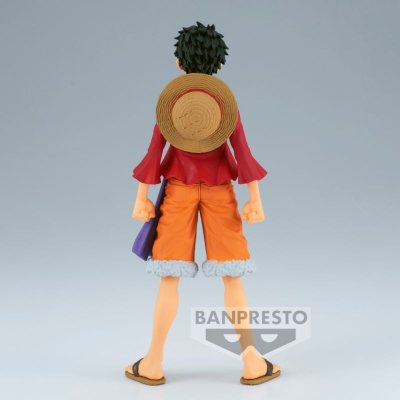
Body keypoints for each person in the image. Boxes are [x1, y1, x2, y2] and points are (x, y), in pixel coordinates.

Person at [125, 21, 281, 386]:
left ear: (179, 62)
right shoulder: (223, 102)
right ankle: (251, 361)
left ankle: (153, 362)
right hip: (219, 192)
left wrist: (141, 197)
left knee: (168, 280)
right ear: (219, 63)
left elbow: (154, 149)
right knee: (232, 277)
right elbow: (242, 150)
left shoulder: (173, 101)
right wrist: (255, 198)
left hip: (178, 191)